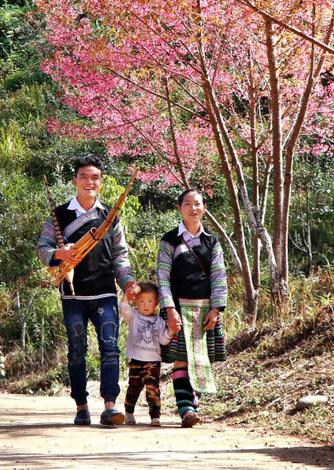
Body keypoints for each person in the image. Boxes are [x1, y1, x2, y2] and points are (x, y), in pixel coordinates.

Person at [37, 154, 140, 427]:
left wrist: (128, 282)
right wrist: (59, 253)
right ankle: (81, 407)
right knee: (76, 350)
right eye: (84, 177)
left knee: (110, 347)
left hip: (105, 292)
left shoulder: (110, 216)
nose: (89, 182)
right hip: (73, 295)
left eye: (95, 177)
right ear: (75, 181)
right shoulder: (60, 215)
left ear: (101, 182)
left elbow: (120, 256)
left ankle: (110, 406)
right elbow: (42, 248)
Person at [157, 188, 227, 428]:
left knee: (201, 360)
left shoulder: (212, 241)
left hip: (205, 311)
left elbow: (218, 276)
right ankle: (186, 410)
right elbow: (162, 277)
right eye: (187, 204)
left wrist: (216, 310)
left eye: (197, 204)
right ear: (179, 208)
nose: (193, 208)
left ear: (204, 208)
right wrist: (169, 309)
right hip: (178, 308)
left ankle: (193, 405)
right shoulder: (170, 240)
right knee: (181, 360)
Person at [119, 281, 171, 426]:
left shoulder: (159, 321)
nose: (146, 305)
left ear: (157, 302)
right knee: (134, 387)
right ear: (136, 301)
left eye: (150, 301)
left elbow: (163, 340)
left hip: (153, 361)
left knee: (152, 388)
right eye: (141, 301)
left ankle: (155, 416)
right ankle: (129, 412)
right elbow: (123, 308)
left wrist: (171, 331)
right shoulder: (133, 315)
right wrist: (128, 295)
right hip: (136, 360)